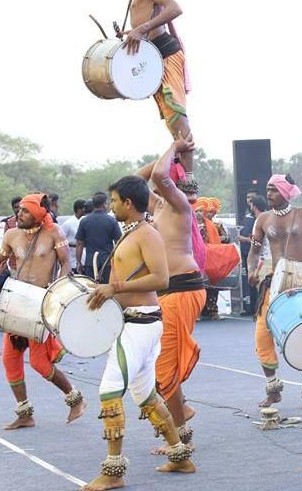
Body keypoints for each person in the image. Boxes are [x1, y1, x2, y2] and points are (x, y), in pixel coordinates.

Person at [82, 174, 196, 490]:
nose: (111, 206)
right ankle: (180, 455)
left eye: (116, 201)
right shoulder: (131, 232)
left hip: (141, 322)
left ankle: (113, 471)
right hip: (136, 322)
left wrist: (114, 287)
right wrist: (103, 290)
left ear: (129, 203)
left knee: (109, 390)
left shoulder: (147, 234)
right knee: (144, 395)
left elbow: (161, 279)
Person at [0, 193, 86, 430]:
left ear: (38, 213)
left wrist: (55, 293)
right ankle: (25, 413)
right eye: (19, 210)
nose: (19, 214)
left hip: (40, 302)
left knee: (39, 363)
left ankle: (75, 399)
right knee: (10, 358)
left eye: (25, 211)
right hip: (17, 301)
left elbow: (66, 263)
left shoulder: (53, 232)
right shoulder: (11, 235)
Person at [135, 137, 206, 450]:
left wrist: (175, 147)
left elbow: (159, 177)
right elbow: (137, 180)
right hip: (167, 293)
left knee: (164, 370)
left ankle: (180, 439)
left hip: (181, 291)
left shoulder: (179, 205)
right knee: (160, 367)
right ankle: (181, 415)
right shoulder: (159, 205)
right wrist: (170, 152)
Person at [117, 0, 197, 192]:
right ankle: (179, 176)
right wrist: (131, 34)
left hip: (165, 54)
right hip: (154, 57)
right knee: (172, 123)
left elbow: (174, 8)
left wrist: (141, 29)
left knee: (178, 119)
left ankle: (189, 182)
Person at [246, 174, 302, 409]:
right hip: (272, 285)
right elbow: (254, 252)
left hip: (301, 285)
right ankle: (273, 390)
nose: (269, 193)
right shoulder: (263, 219)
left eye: (273, 189)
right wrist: (251, 270)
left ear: (285, 192)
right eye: (267, 189)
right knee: (262, 339)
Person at [76, 192, 122, 281]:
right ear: (104, 204)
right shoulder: (111, 221)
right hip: (107, 263)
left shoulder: (84, 221)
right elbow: (118, 242)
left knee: (92, 290)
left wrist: (78, 262)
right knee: (107, 290)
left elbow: (79, 243)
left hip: (90, 263)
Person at [59, 199, 86, 270]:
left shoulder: (86, 221)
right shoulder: (68, 223)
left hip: (84, 253)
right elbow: (60, 238)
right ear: (78, 209)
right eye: (84, 208)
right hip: (72, 254)